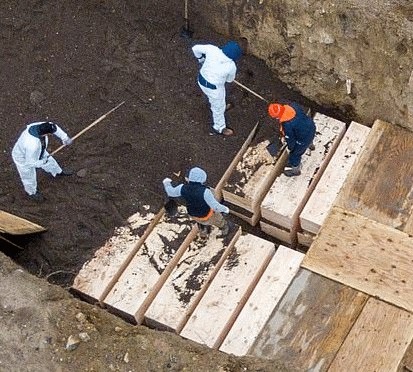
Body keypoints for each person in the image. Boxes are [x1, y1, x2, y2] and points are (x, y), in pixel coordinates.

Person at [12, 121, 73, 201]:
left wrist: (65, 138)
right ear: (45, 134)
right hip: (23, 159)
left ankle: (57, 172)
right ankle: (32, 192)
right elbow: (31, 163)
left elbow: (54, 127)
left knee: (50, 161)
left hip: (40, 150)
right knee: (28, 176)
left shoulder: (39, 126)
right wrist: (42, 162)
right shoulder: (32, 145)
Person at [162, 167, 230, 238]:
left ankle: (203, 232)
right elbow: (215, 206)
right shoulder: (205, 192)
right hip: (208, 214)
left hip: (194, 215)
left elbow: (171, 192)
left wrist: (166, 182)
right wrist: (225, 209)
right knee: (219, 220)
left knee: (201, 222)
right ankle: (224, 227)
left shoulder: (182, 188)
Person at [192, 41, 242, 137]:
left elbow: (195, 48)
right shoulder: (231, 66)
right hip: (213, 89)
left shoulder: (212, 49)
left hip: (201, 79)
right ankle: (219, 127)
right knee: (217, 107)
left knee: (219, 101)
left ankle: (222, 107)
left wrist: (201, 59)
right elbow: (229, 80)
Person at [268, 102, 316, 177]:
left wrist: (291, 149)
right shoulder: (293, 106)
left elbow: (291, 140)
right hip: (311, 126)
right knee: (308, 137)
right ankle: (311, 146)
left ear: (277, 117)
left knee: (295, 155)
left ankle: (295, 170)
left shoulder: (287, 125)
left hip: (303, 140)